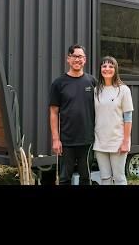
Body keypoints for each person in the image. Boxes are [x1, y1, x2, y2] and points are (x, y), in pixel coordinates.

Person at [49, 44, 96, 185]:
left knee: (86, 178)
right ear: (68, 59)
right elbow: (53, 112)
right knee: (64, 179)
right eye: (74, 56)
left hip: (87, 140)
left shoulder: (92, 82)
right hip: (66, 141)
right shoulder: (58, 83)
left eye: (80, 56)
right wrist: (56, 139)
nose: (77, 59)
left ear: (85, 59)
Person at [93, 56, 134, 185]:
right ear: (100, 69)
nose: (107, 69)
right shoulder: (96, 90)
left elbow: (128, 118)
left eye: (111, 66)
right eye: (104, 66)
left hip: (118, 141)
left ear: (115, 69)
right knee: (105, 178)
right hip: (100, 142)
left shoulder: (123, 90)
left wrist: (126, 142)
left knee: (119, 177)